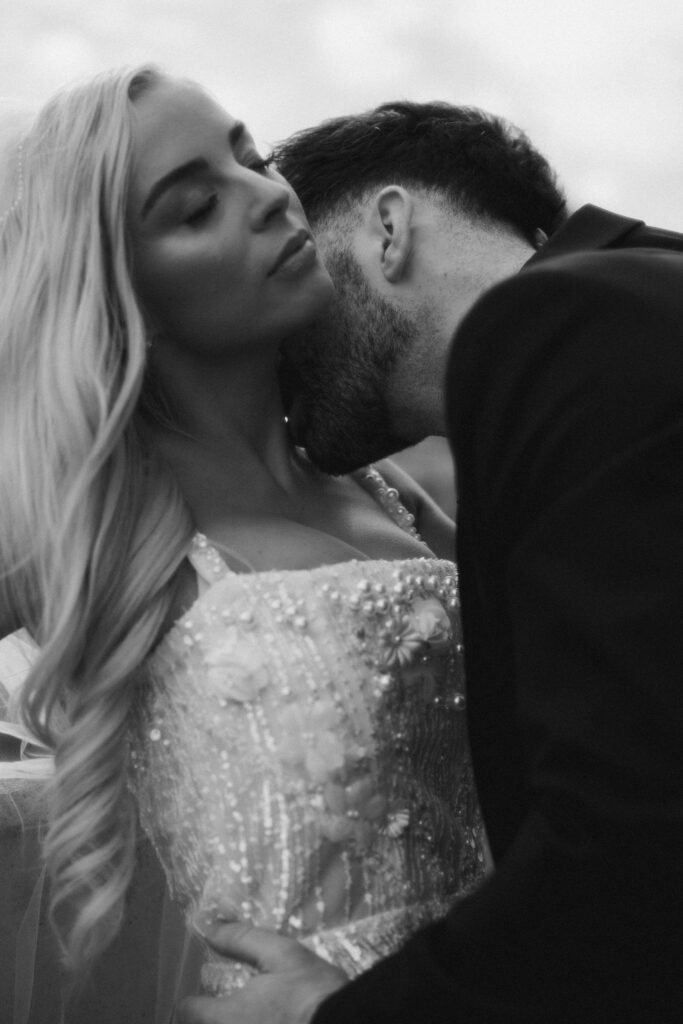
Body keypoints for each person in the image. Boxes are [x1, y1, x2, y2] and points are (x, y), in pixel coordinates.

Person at [179, 102, 683, 1023]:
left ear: (388, 228)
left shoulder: (565, 322)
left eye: (306, 270)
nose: (281, 358)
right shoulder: (638, 309)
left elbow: (632, 838)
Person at [0, 74, 489, 1022]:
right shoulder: (95, 517)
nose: (268, 194)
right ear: (117, 288)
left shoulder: (394, 491)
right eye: (196, 206)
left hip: (498, 989)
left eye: (253, 159)